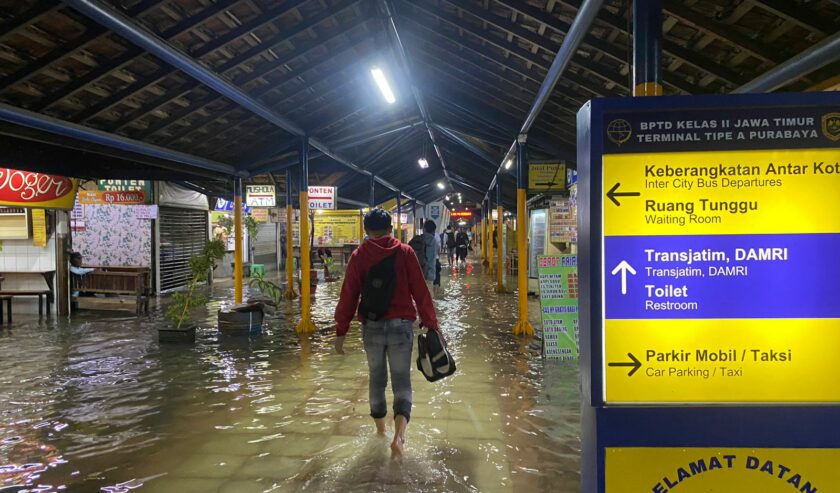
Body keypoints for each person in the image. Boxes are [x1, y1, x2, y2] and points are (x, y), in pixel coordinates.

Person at [334, 208, 440, 460]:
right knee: (402, 380)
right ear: (391, 229)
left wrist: (341, 330)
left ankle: (380, 433)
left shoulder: (359, 255)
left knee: (376, 378)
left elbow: (348, 294)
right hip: (401, 325)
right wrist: (431, 323)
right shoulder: (405, 252)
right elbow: (420, 291)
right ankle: (399, 438)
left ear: (366, 230)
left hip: (371, 326)